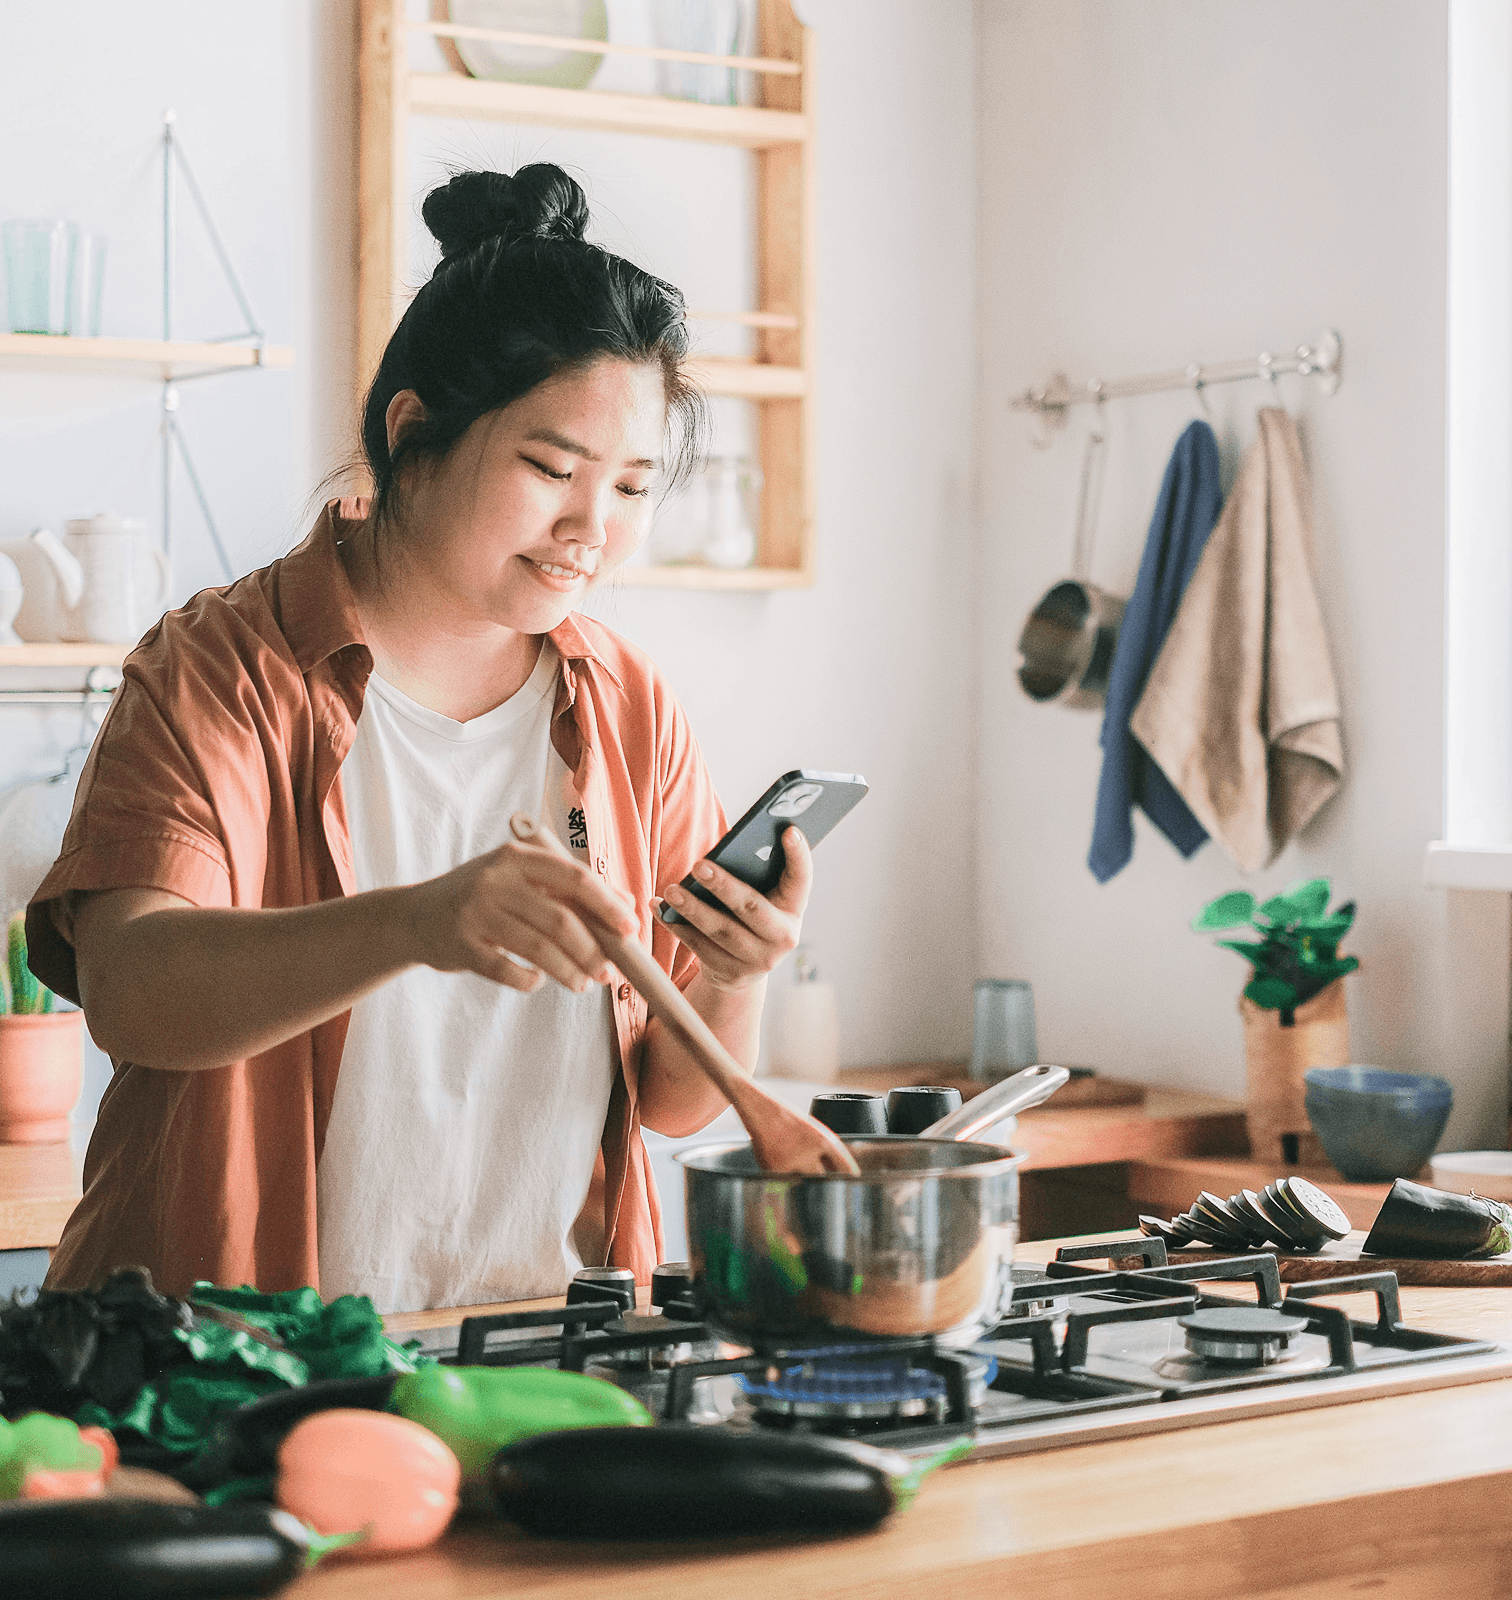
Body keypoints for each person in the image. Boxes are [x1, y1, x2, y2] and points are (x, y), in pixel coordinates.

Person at [26, 164, 813, 1311]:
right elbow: (132, 991)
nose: (594, 529)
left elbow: (674, 1100)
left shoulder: (627, 705)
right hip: (235, 1361)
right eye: (552, 468)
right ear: (413, 434)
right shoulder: (219, 671)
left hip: (537, 1349)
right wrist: (422, 919)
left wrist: (734, 983)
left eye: (634, 487)